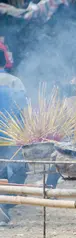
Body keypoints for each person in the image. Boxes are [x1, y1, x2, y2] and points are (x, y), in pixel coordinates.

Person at [0, 50, 28, 225]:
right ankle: (5, 205)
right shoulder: (14, 82)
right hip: (11, 134)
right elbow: (24, 109)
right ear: (5, 63)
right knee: (17, 168)